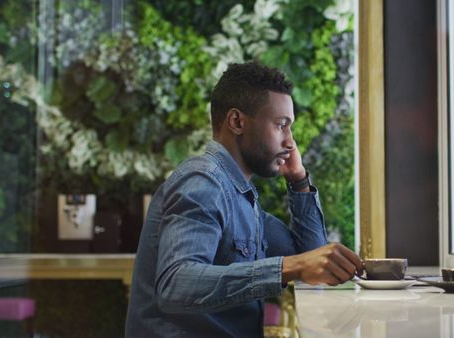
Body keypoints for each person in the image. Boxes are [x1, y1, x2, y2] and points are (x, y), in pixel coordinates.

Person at [125, 61, 363, 337]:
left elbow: (311, 257)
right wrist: (291, 267)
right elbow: (176, 285)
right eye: (281, 125)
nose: (290, 143)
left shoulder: (242, 198)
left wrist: (298, 181)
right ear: (237, 121)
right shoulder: (202, 182)